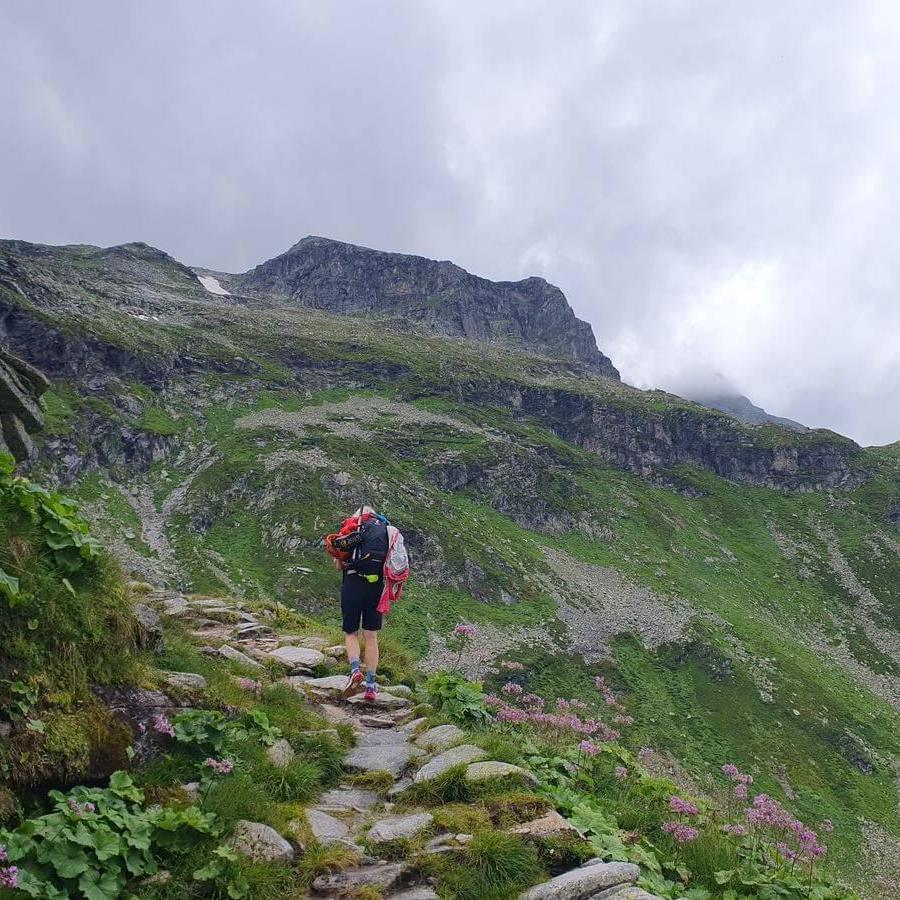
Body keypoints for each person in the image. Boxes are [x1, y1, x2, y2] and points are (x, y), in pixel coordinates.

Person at [332, 505, 388, 701]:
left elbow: (338, 565)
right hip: (376, 586)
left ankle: (355, 670)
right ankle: (371, 686)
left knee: (351, 632)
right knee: (371, 636)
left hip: (353, 582)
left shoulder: (352, 530)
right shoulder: (385, 532)